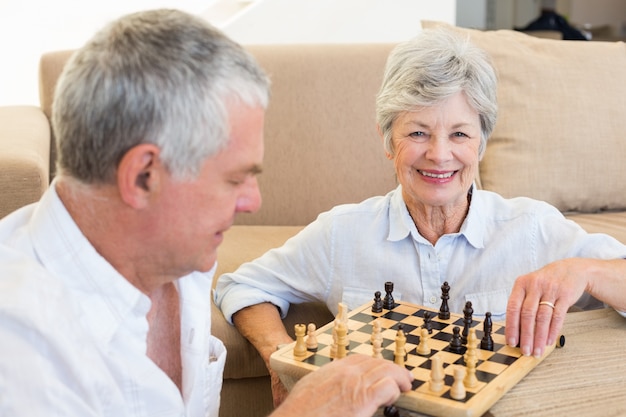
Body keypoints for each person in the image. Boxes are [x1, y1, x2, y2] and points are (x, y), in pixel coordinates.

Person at [0, 9, 413, 417]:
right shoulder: (22, 353)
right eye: (235, 179)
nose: (253, 200)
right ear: (144, 176)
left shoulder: (180, 260)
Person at [214, 27, 626, 405]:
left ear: (482, 143)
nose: (439, 154)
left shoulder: (532, 228)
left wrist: (585, 271)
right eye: (417, 132)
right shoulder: (342, 234)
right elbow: (242, 287)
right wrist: (280, 358)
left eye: (460, 134)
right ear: (386, 140)